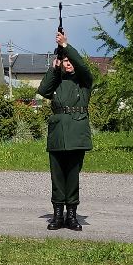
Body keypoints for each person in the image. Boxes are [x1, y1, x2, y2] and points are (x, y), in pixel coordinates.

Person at [37, 30, 94, 230]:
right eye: (64, 61)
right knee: (57, 176)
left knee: (72, 175)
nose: (68, 63)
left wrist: (66, 45)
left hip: (77, 133)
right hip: (57, 134)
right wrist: (54, 68)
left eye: (70, 61)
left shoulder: (84, 81)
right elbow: (43, 90)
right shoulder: (57, 81)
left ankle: (72, 215)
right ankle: (58, 215)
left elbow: (84, 67)